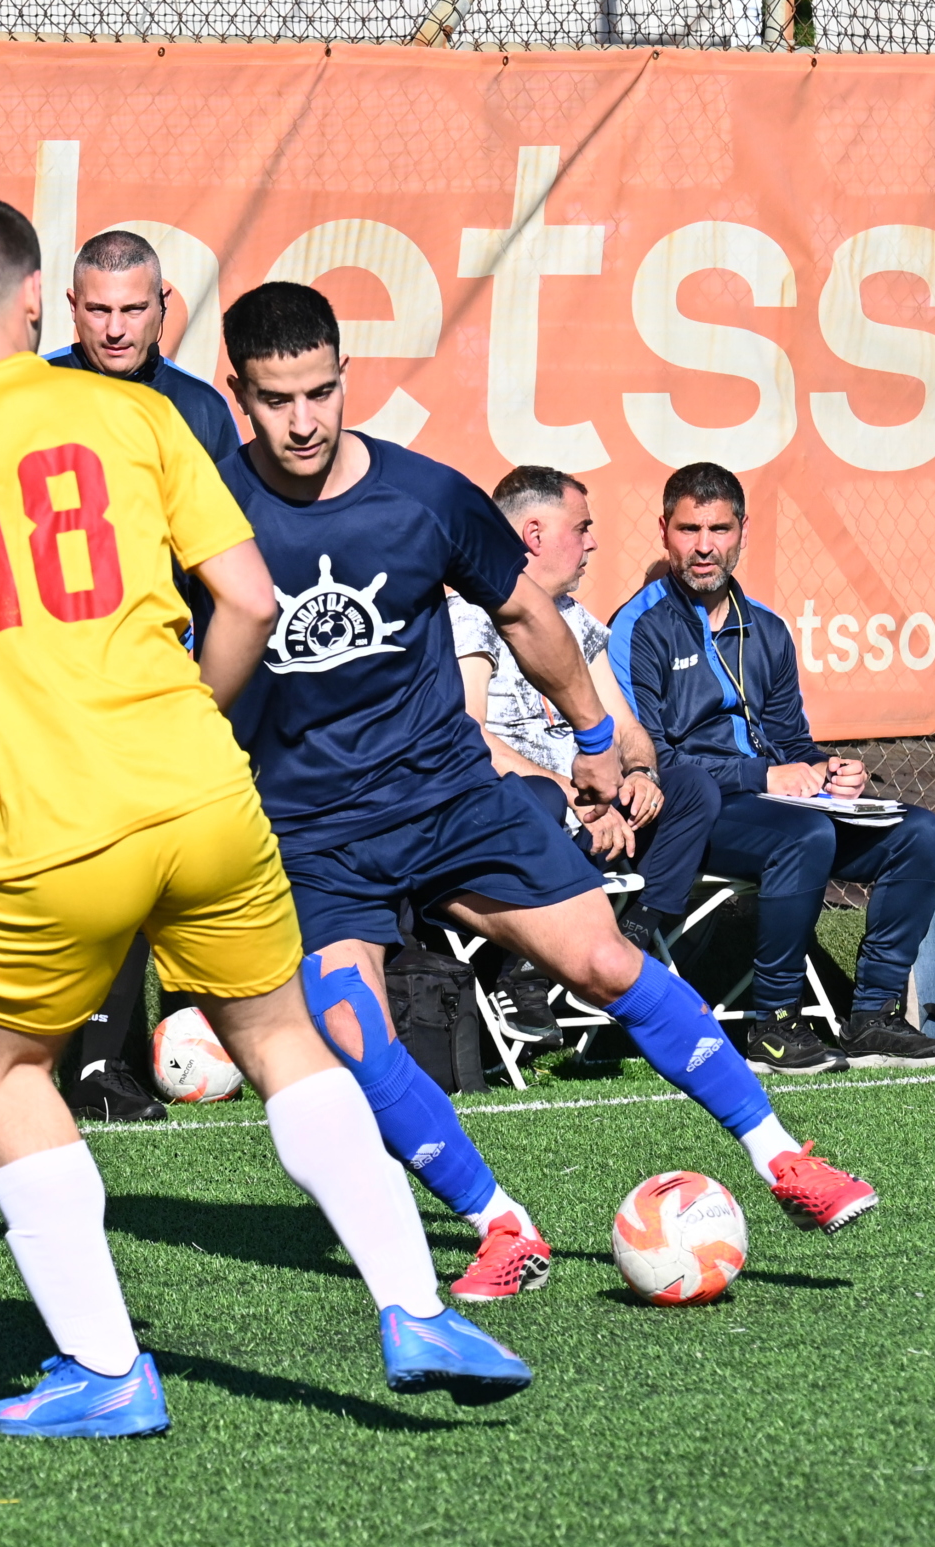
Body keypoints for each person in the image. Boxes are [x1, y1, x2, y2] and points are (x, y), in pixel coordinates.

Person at [0, 196, 531, 1438]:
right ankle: (415, 1308)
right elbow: (247, 599)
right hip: (205, 795)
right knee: (284, 1039)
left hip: (53, 829)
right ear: (36, 300)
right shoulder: (136, 413)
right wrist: (190, 718)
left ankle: (105, 1370)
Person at [217, 281, 879, 1306]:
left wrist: (595, 735)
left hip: (450, 797)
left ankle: (783, 1155)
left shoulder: (425, 496)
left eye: (318, 392)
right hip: (312, 829)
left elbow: (528, 615)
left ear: (345, 375)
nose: (301, 422)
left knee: (607, 959)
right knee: (351, 1029)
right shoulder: (207, 509)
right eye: (274, 399)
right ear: (238, 393)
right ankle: (500, 1224)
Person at [0, 227, 244, 1127]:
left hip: (138, 692)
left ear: (164, 309)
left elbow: (226, 566)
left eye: (134, 309)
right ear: (66, 307)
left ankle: (101, 1065)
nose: (116, 328)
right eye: (99, 309)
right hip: (14, 683)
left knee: (125, 865)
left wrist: (196, 688)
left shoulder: (198, 414)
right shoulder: (21, 394)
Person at [611, 464, 935, 1074]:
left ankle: (873, 1017)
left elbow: (790, 740)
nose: (704, 546)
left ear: (743, 531)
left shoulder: (767, 629)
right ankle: (774, 1025)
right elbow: (650, 759)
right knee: (805, 835)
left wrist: (828, 769)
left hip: (779, 807)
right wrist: (760, 778)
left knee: (920, 832)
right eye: (689, 529)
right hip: (692, 813)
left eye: (719, 529)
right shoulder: (637, 627)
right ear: (664, 531)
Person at [452, 465, 723, 1049]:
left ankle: (627, 943)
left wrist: (641, 772)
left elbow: (626, 726)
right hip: (524, 806)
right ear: (534, 535)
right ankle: (527, 965)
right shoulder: (470, 613)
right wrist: (576, 797)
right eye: (582, 528)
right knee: (536, 799)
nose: (593, 542)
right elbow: (468, 738)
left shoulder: (576, 619)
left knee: (692, 787)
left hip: (592, 803)